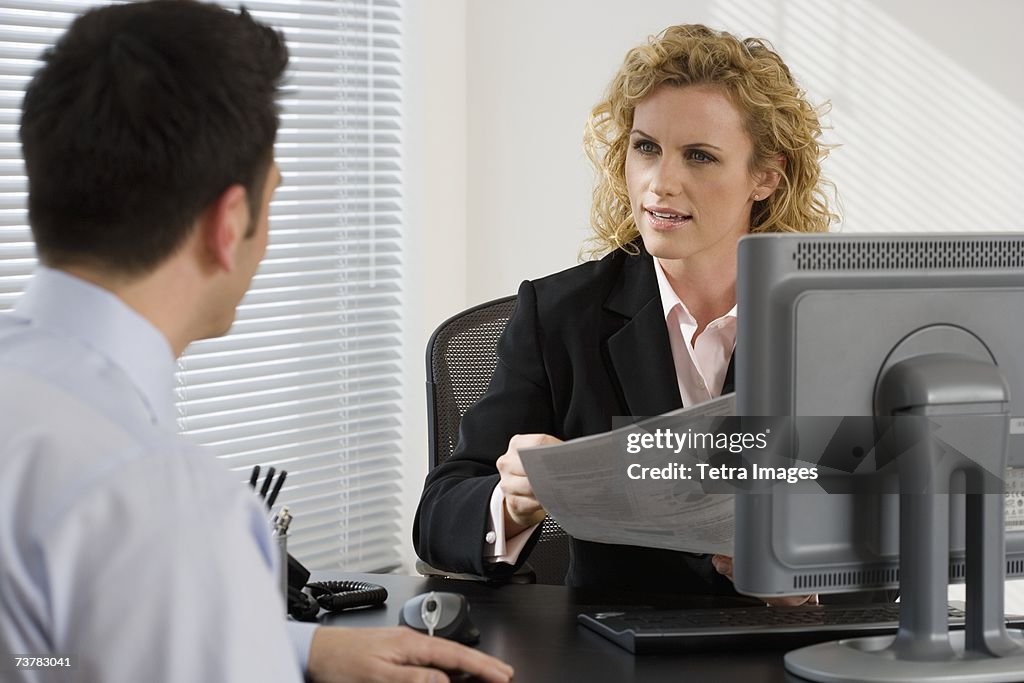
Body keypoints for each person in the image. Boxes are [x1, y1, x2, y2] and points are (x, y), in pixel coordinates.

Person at [0, 2, 514, 682]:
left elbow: (49, 656)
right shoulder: (163, 505)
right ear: (229, 221)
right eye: (271, 198)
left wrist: (297, 647)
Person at [414, 24, 834, 599]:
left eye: (700, 156)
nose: (661, 183)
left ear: (764, 176)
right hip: (616, 649)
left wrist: (810, 578)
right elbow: (439, 515)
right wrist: (508, 503)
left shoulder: (831, 321)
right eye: (646, 147)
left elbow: (909, 518)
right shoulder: (561, 315)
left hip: (790, 645)